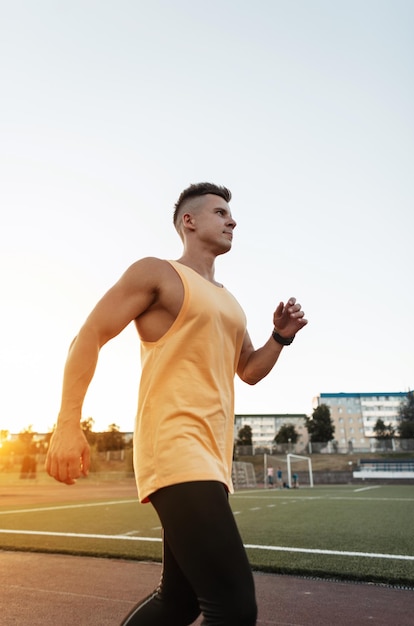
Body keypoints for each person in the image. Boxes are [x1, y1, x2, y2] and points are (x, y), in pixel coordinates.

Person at [46, 182, 308, 625]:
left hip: (211, 456)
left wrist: (280, 338)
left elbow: (248, 370)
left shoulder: (229, 301)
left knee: (180, 601)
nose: (233, 221)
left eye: (231, 214)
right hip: (175, 445)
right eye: (221, 212)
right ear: (189, 221)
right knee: (234, 608)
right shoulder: (157, 273)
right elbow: (88, 335)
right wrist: (67, 424)